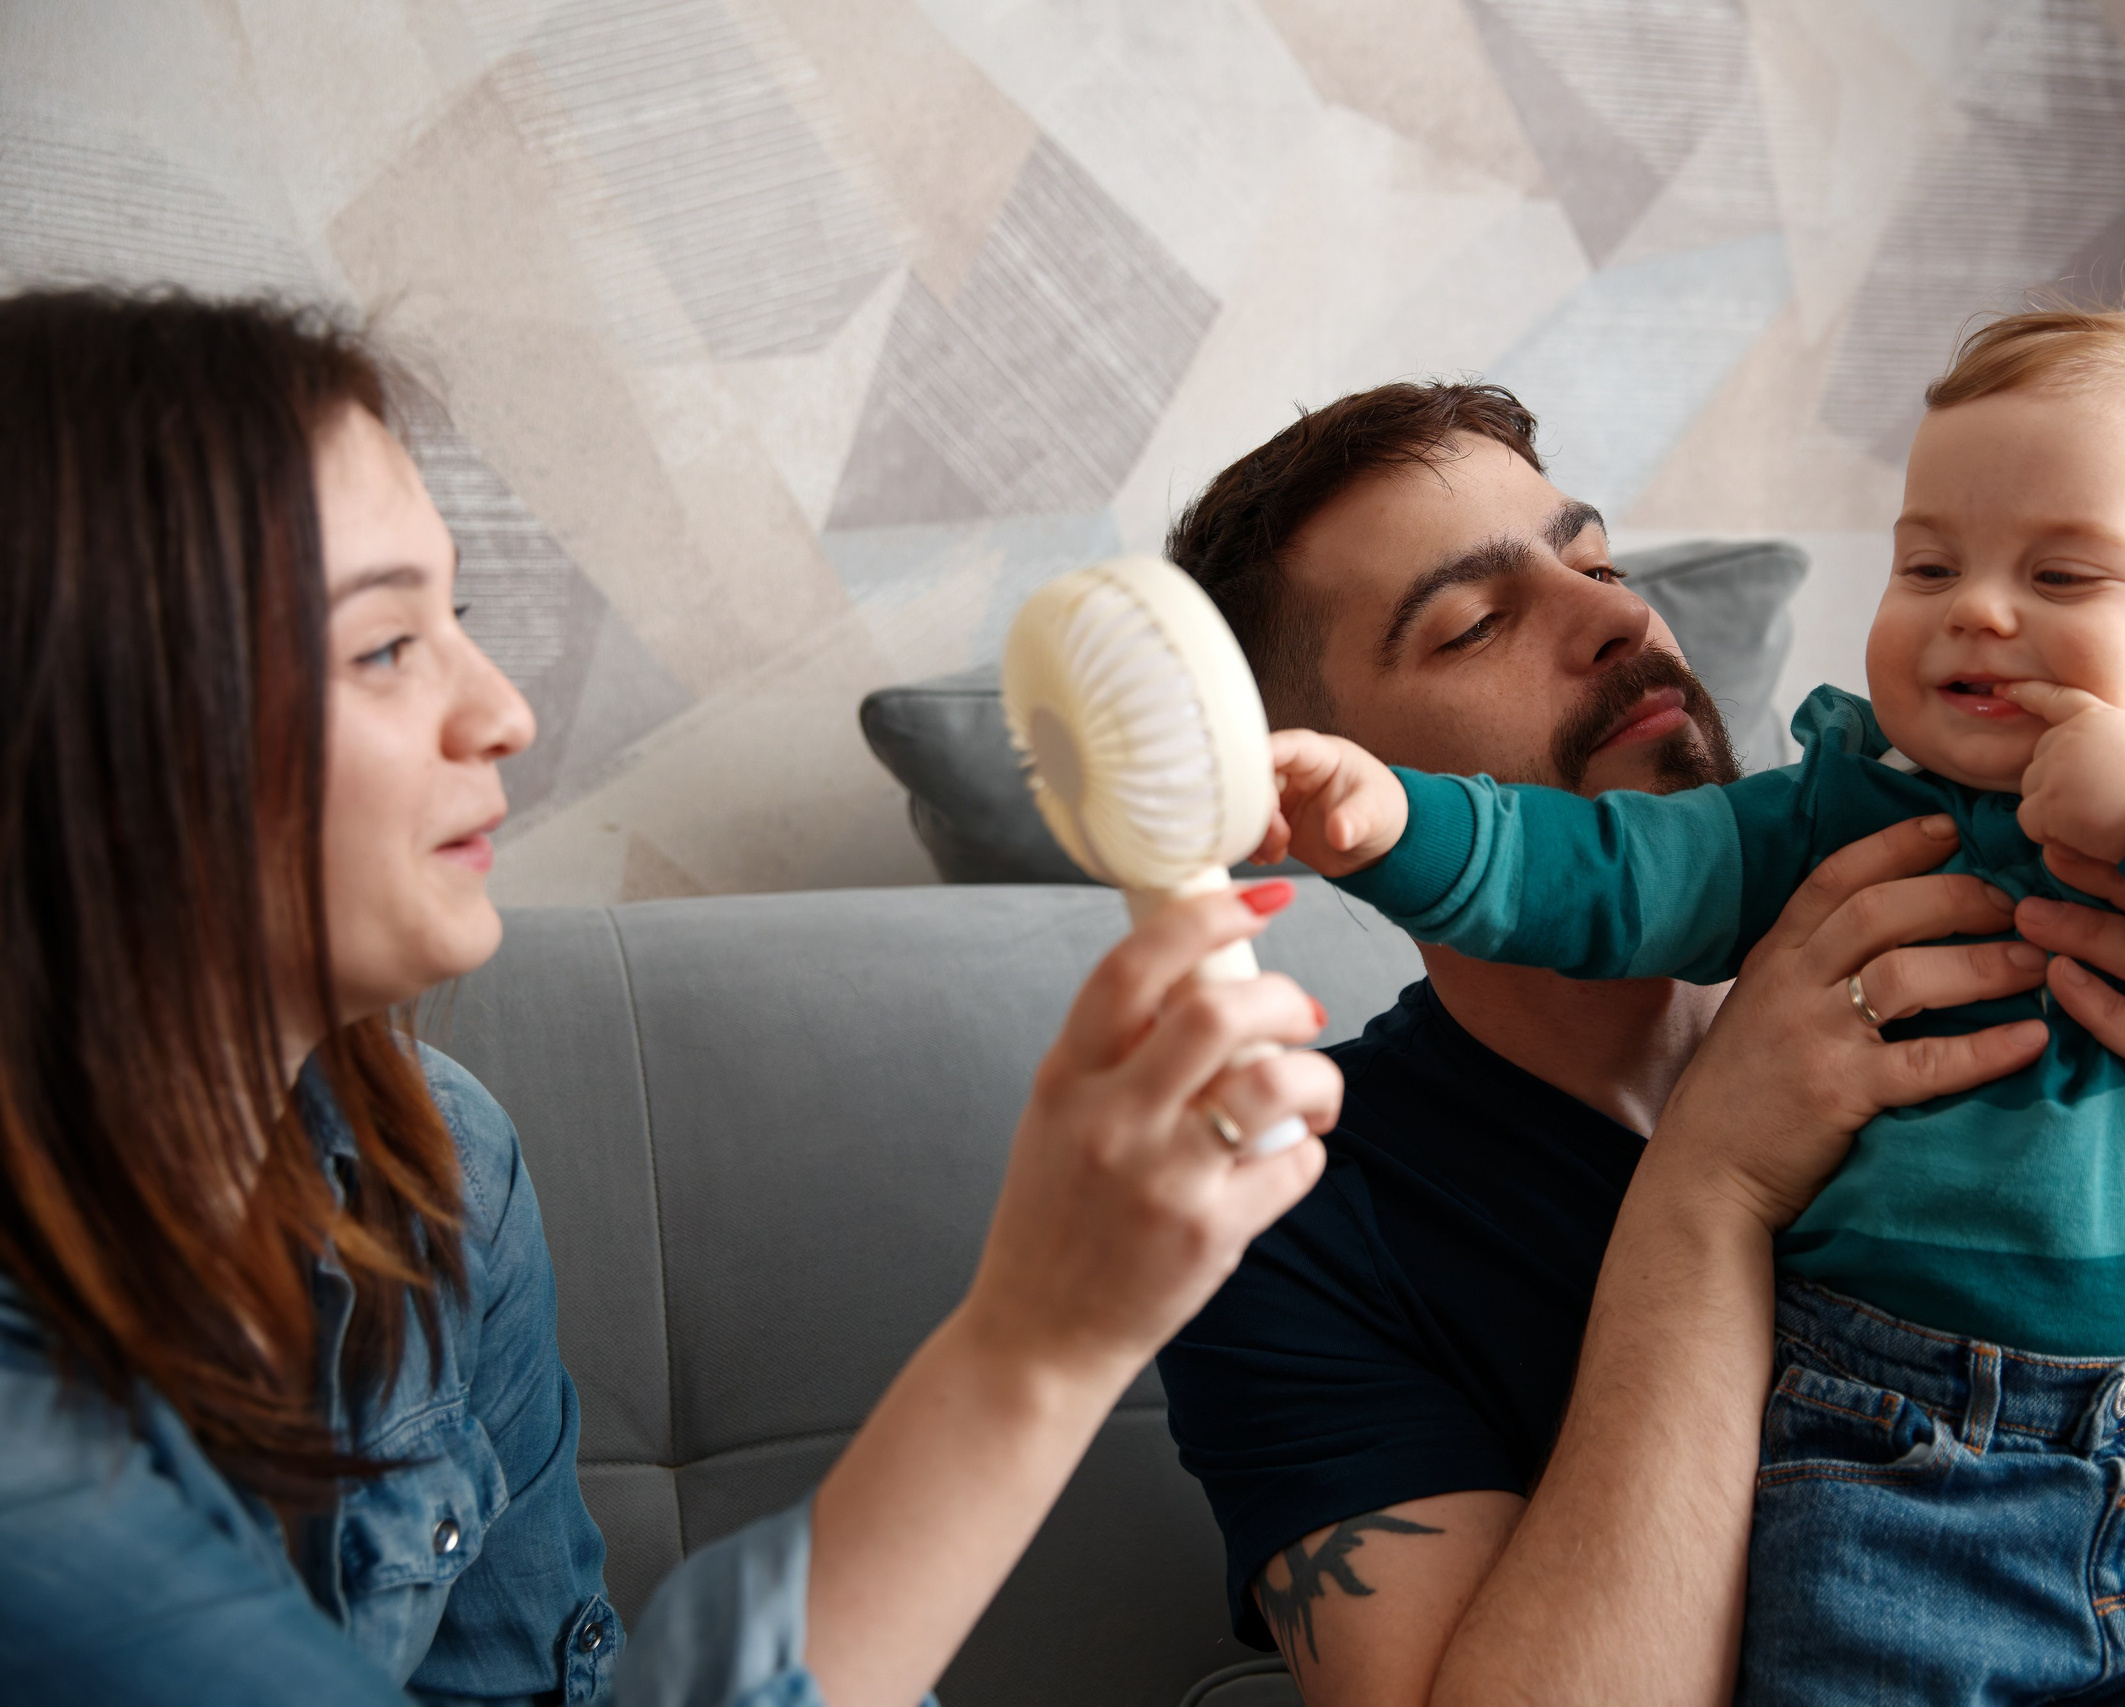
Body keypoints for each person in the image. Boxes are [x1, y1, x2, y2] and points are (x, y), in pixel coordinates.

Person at [0, 290, 1341, 1707]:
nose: (504, 711)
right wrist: (1037, 1345)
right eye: (385, 647)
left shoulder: (431, 1174)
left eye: (454, 617)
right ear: (91, 738)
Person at [1250, 312, 2125, 1695]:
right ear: (1322, 781)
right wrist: (1712, 1182)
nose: (1614, 619)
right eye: (1476, 623)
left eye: (1597, 560)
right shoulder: (1294, 1225)